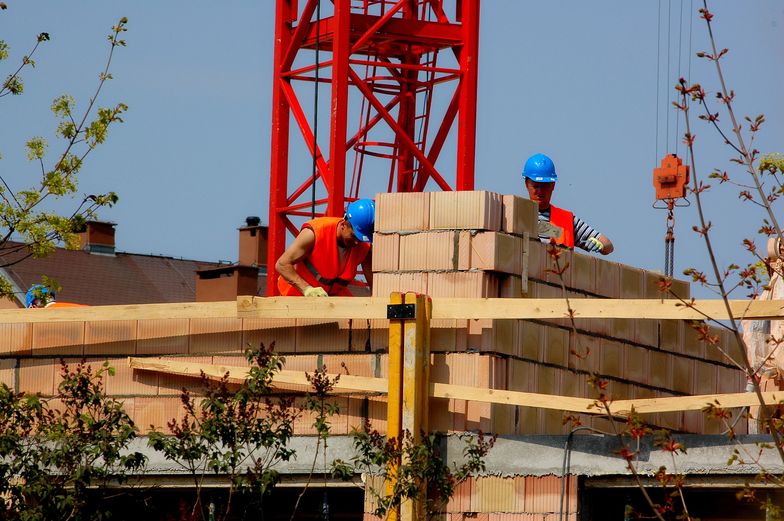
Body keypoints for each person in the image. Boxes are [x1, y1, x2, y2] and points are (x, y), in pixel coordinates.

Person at [276, 199, 375, 297]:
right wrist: (307, 289)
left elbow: (374, 286)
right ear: (344, 223)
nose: (357, 242)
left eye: (361, 238)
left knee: (353, 310)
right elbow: (282, 264)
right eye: (354, 236)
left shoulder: (364, 246)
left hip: (330, 297)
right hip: (297, 294)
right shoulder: (315, 233)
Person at [522, 153, 614, 255]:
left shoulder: (567, 220)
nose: (540, 191)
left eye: (544, 186)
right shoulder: (517, 214)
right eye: (535, 186)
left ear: (553, 185)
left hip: (558, 270)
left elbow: (608, 245)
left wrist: (599, 245)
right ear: (526, 184)